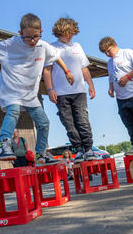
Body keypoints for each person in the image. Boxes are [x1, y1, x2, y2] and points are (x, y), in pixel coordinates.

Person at [0, 13, 74, 164]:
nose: (31, 41)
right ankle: (4, 146)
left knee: (44, 122)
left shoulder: (43, 46)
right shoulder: (11, 44)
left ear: (41, 33)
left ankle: (41, 153)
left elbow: (56, 55)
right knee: (14, 111)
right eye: (27, 37)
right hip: (11, 90)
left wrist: (67, 71)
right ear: (20, 33)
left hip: (30, 94)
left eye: (35, 37)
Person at [43, 18, 96, 163]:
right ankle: (78, 150)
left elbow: (84, 67)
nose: (71, 36)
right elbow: (47, 70)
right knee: (69, 123)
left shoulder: (77, 46)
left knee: (82, 120)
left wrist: (90, 84)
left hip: (79, 90)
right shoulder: (51, 47)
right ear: (61, 31)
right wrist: (49, 89)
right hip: (61, 93)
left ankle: (89, 149)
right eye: (68, 33)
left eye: (73, 33)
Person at [99, 37, 133, 155]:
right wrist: (111, 89)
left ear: (115, 45)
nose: (107, 54)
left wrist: (127, 77)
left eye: (109, 50)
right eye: (105, 53)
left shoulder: (128, 53)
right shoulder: (109, 62)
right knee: (128, 122)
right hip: (121, 97)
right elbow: (111, 77)